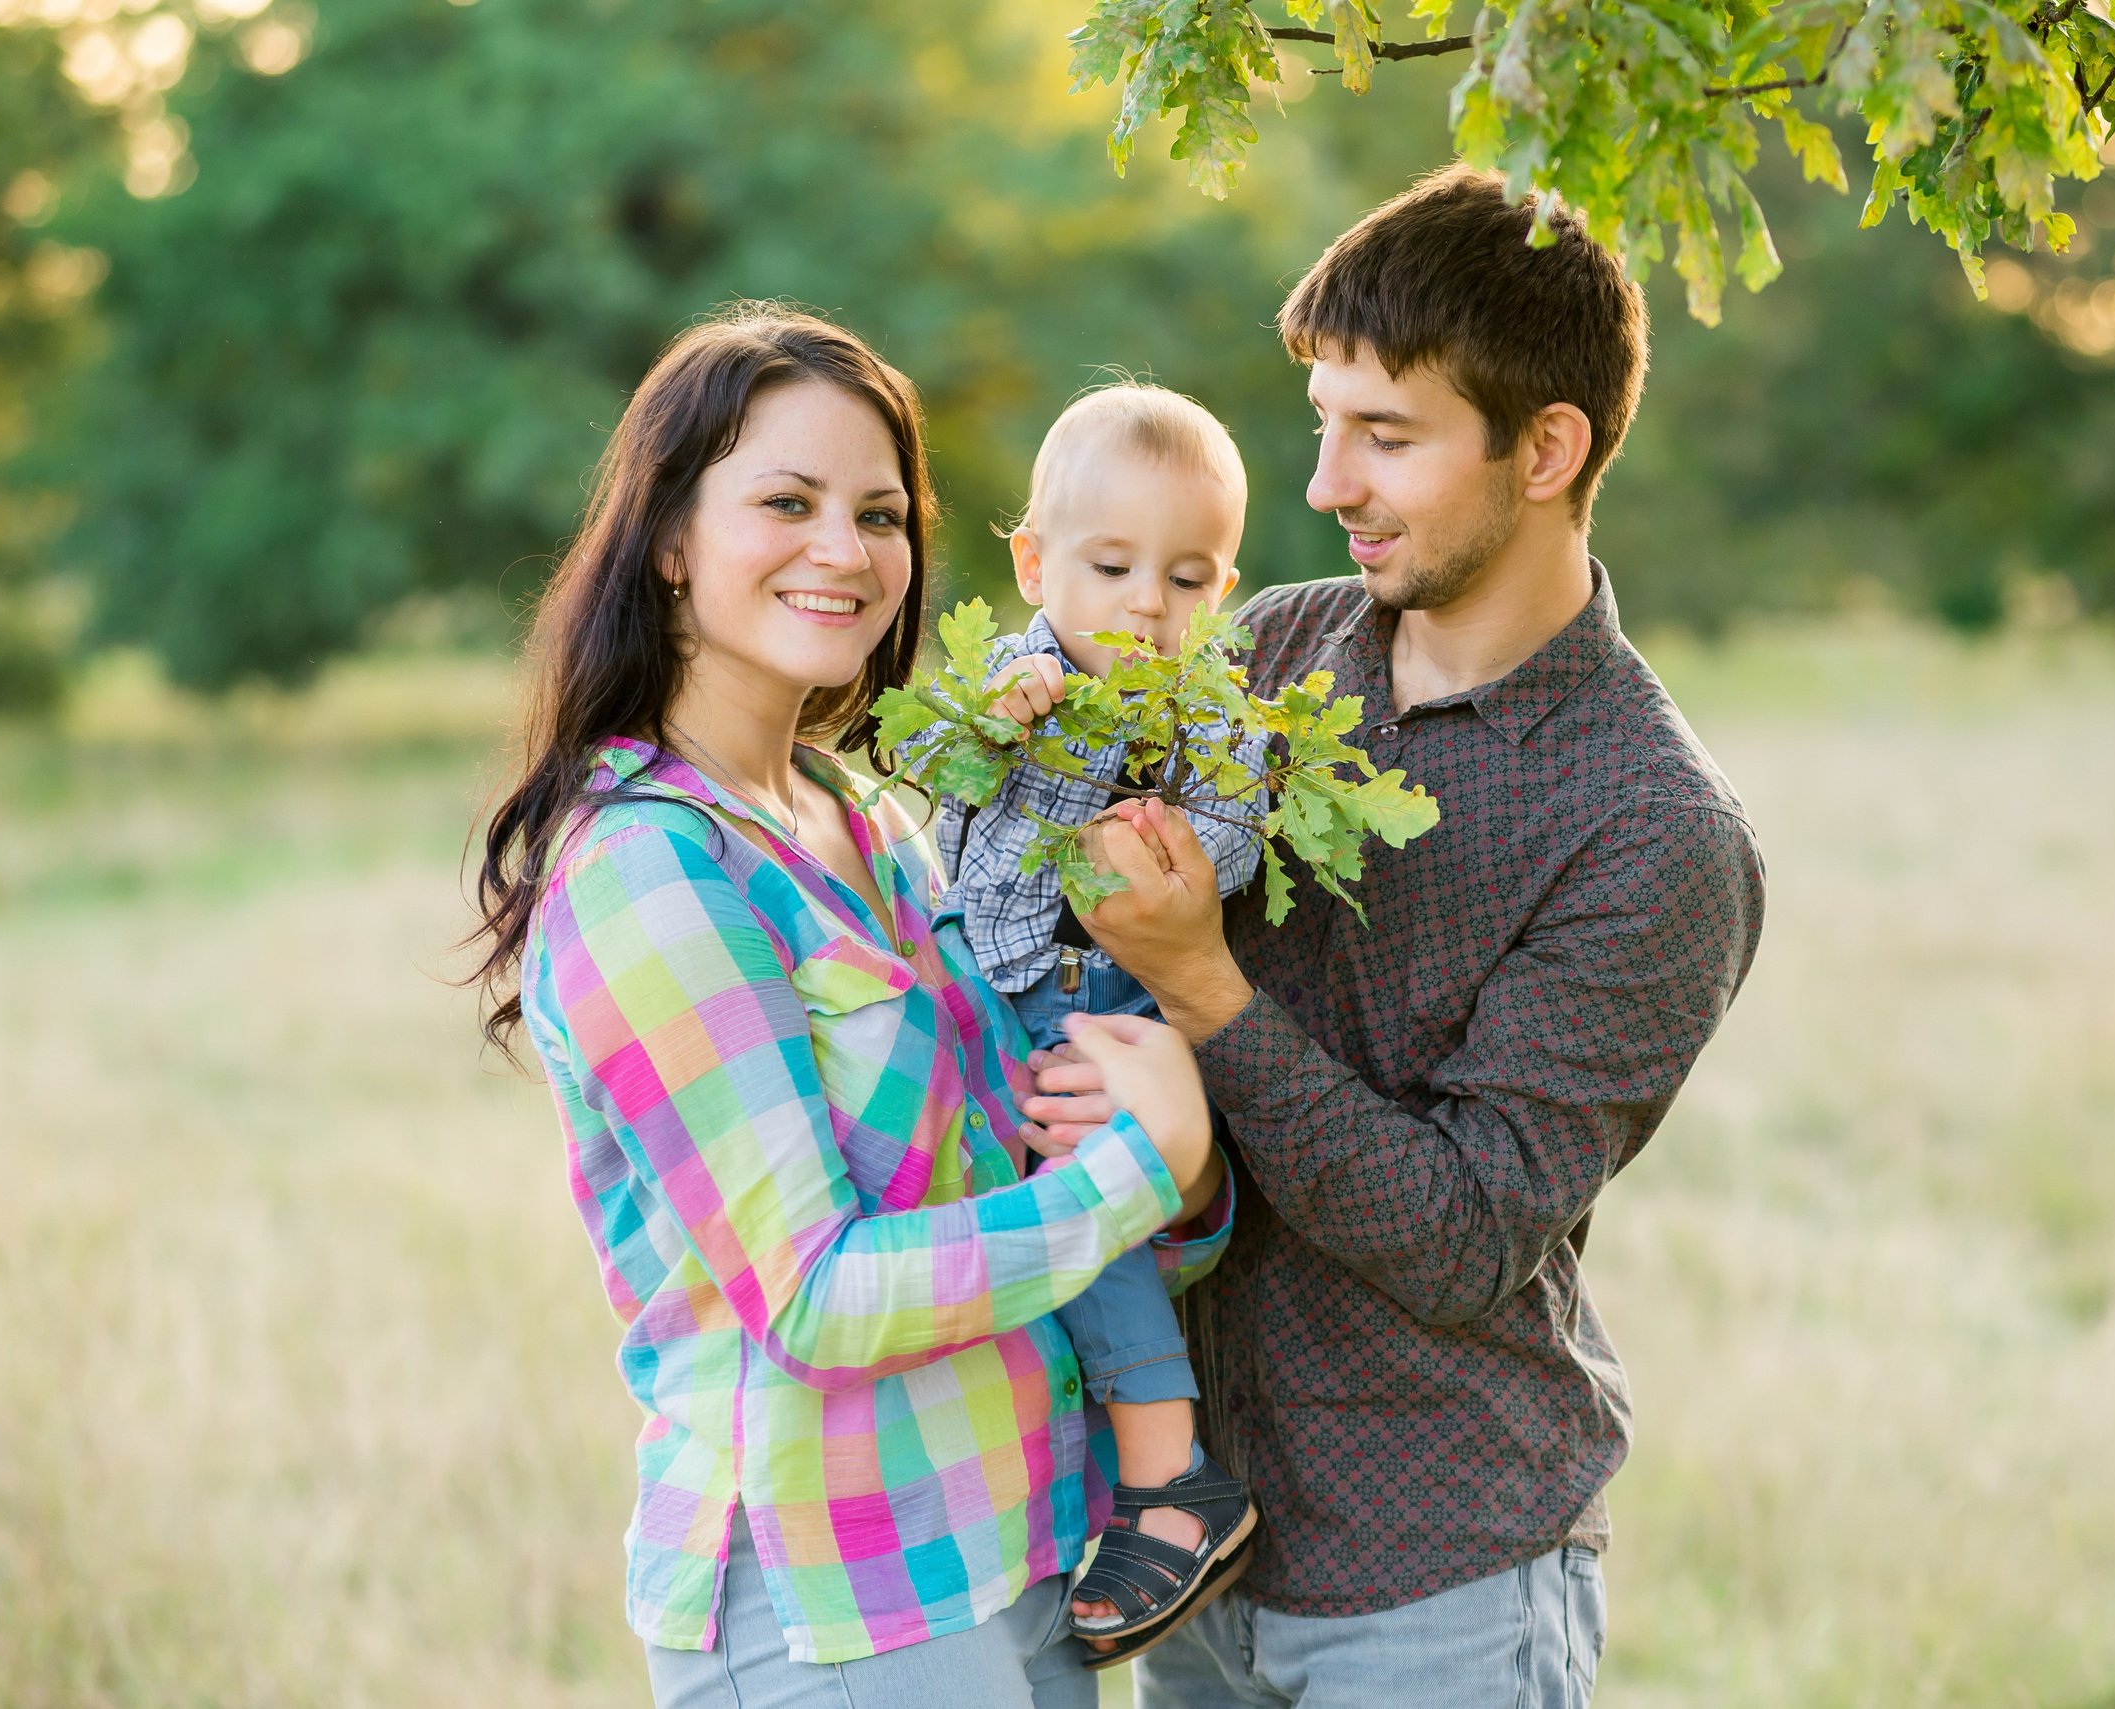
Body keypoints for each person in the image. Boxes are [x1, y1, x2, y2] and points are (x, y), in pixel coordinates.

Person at [1022, 167, 1769, 1706]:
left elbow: (1462, 1233)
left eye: (1387, 436)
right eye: (1322, 423)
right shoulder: (1265, 647)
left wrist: (1201, 984)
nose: (1324, 484)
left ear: (1546, 449)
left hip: (1440, 1573)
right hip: (1194, 1542)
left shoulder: (1655, 830)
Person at [467, 305, 1231, 1709]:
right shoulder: (652, 867)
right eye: (787, 502)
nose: (846, 550)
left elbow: (1015, 1165)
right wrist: (1144, 1170)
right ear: (669, 538)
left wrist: (1172, 1170)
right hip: (834, 1606)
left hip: (1024, 1548)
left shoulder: (872, 816)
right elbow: (814, 1296)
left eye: (878, 513)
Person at [926, 382, 1265, 1658]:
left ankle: (1170, 1478)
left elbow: (1227, 852)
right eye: (1113, 566)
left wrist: (1168, 839)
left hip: (1090, 995)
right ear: (1034, 561)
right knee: (1002, 1224)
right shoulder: (1025, 675)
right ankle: (1078, 1477)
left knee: (1095, 1208)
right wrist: (1001, 723)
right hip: (986, 982)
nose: (1146, 604)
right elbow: (947, 783)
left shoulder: (1208, 712)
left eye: (1187, 577)